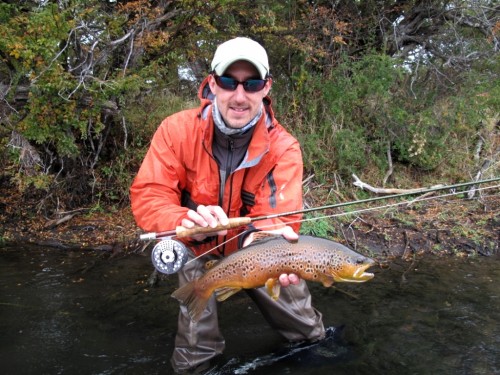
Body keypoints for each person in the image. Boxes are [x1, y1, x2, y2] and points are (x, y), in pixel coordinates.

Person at [130, 37, 325, 374]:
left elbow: (280, 219)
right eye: (228, 82)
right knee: (195, 353)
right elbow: (149, 195)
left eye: (251, 84)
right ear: (211, 84)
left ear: (266, 88)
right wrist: (185, 218)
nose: (239, 96)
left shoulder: (284, 148)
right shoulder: (176, 131)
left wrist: (259, 240)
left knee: (310, 334)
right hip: (195, 247)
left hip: (256, 251)